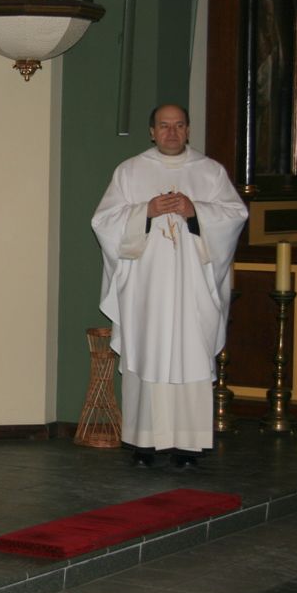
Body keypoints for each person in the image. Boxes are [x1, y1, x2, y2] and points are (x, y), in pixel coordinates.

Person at [92, 104, 247, 470]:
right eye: (164, 126)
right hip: (146, 290)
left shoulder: (210, 172)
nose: (172, 133)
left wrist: (196, 211)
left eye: (179, 126)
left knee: (190, 354)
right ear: (152, 131)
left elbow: (235, 215)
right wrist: (144, 212)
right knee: (147, 353)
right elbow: (103, 221)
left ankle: (187, 448)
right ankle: (143, 444)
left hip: (192, 290)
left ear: (188, 130)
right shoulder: (130, 172)